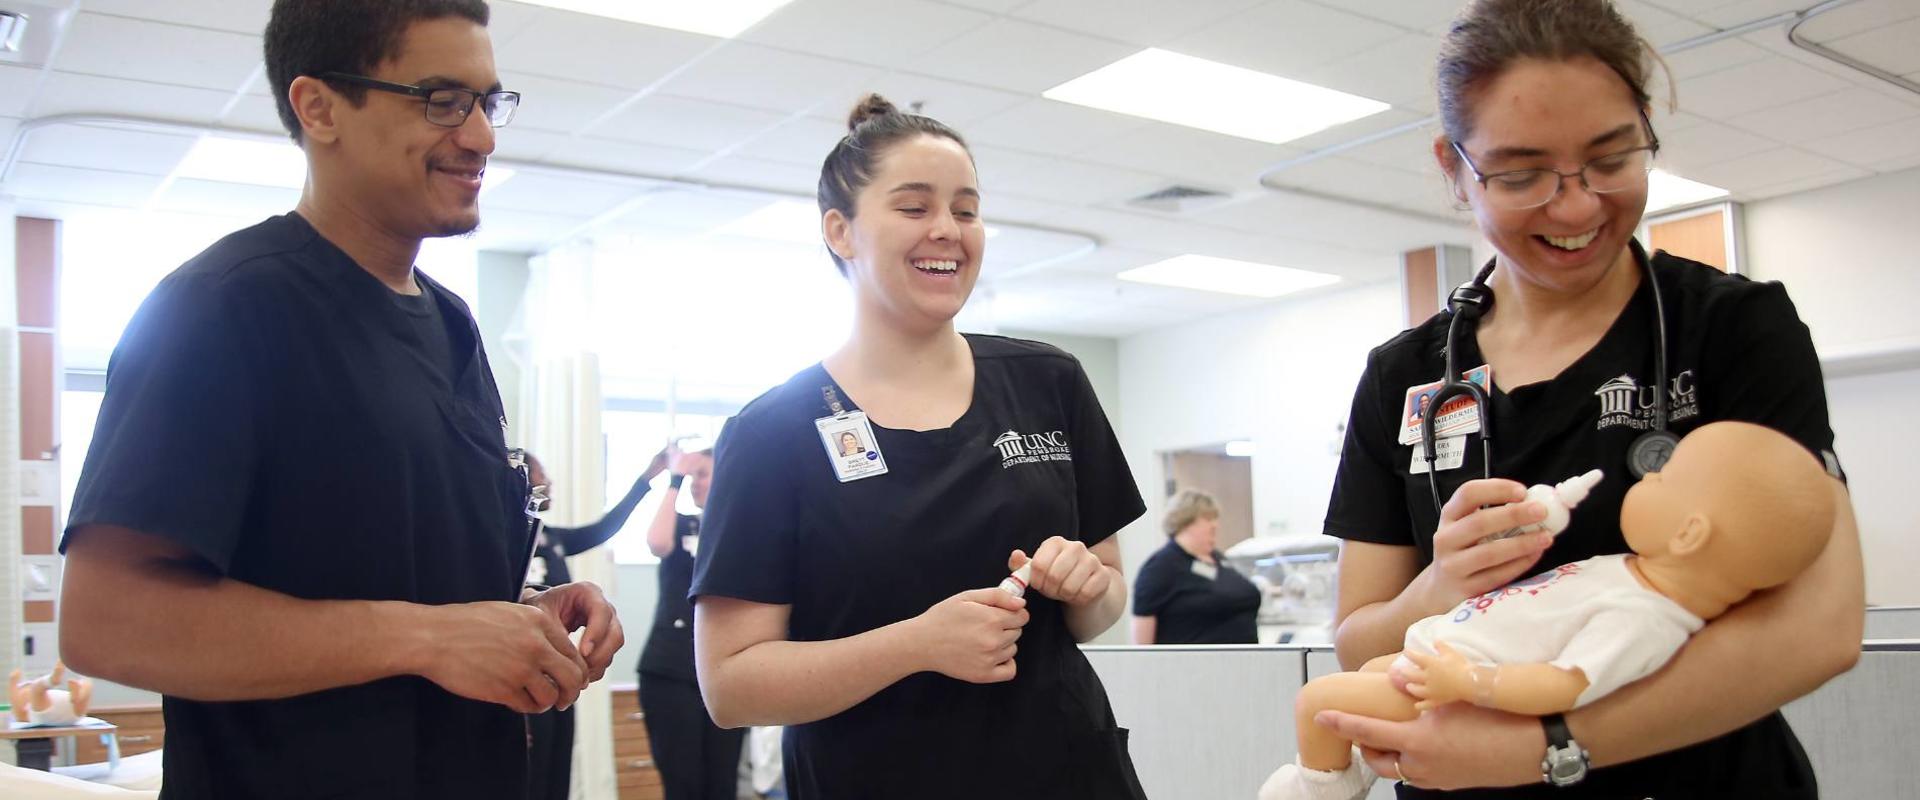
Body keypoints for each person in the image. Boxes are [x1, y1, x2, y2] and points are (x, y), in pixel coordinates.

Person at [55, 2, 625, 798]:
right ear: (318, 107)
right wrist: (427, 637)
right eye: (440, 99)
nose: (482, 137)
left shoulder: (452, 325)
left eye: (487, 102)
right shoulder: (220, 308)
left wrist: (524, 613)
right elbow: (106, 622)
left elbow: (390, 573)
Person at [1317, 1, 1862, 796]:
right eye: (1521, 174)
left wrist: (1550, 745)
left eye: (1611, 159)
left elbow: (1819, 628)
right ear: (1452, 166)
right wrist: (1439, 588)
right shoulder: (1406, 375)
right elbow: (1357, 644)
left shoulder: (1732, 328)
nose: (1575, 207)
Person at [689, 94, 1148, 799]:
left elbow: (1103, 600)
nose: (948, 231)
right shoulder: (772, 433)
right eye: (914, 208)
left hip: (1065, 769)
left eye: (965, 210)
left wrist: (1088, 585)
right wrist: (917, 646)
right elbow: (731, 685)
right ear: (840, 231)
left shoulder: (1048, 382)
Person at [1264, 422, 1837, 800]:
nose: (1647, 476)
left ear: (1689, 533)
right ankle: (1352, 769)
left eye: (1663, 478)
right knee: (1364, 678)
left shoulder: (1645, 619)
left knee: (1318, 702)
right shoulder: (1629, 573)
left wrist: (1467, 681)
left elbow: (1563, 685)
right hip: (1434, 657)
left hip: (1449, 686)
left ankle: (1321, 792)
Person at [522, 447, 671, 800]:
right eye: (541, 474)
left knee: (555, 771)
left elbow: (604, 528)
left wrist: (645, 481)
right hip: (519, 676)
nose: (550, 482)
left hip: (555, 674)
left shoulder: (551, 537)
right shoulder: (504, 541)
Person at [636, 444, 744, 800]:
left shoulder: (739, 528)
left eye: (703, 474)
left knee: (721, 784)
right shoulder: (679, 523)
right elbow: (656, 542)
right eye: (692, 476)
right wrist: (675, 478)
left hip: (726, 672)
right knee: (683, 785)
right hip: (670, 670)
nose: (696, 483)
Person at [1131, 488, 1262, 644]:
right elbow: (1142, 642)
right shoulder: (1160, 567)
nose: (1215, 525)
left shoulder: (1218, 558)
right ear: (1184, 521)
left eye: (1215, 518)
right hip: (1194, 665)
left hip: (1243, 662)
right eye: (1207, 518)